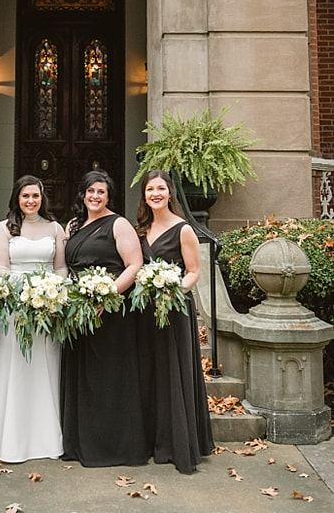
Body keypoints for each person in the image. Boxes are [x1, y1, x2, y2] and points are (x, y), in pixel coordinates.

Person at [60, 169, 149, 467]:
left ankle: (115, 447)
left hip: (111, 313)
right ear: (82, 194)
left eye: (101, 191)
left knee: (109, 378)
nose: (95, 196)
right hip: (78, 311)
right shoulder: (73, 225)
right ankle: (81, 443)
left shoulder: (119, 224)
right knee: (83, 378)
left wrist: (106, 296)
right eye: (90, 191)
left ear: (109, 195)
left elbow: (134, 265)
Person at [135, 169, 214, 474]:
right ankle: (153, 440)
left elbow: (193, 271)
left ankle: (176, 443)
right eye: (149, 189)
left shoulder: (184, 229)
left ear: (170, 193)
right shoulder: (140, 229)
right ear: (144, 195)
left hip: (173, 309)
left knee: (172, 371)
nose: (155, 194)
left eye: (160, 189)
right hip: (144, 312)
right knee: (149, 371)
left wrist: (171, 288)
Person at [0, 175, 67, 462]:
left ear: (42, 197)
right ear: (17, 199)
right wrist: (21, 295)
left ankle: (47, 439)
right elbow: (1, 270)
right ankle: (12, 440)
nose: (31, 201)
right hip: (14, 309)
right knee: (16, 366)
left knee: (45, 367)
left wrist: (53, 295)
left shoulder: (55, 227)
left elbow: (60, 269)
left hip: (48, 305)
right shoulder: (4, 228)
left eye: (35, 196)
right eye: (25, 196)